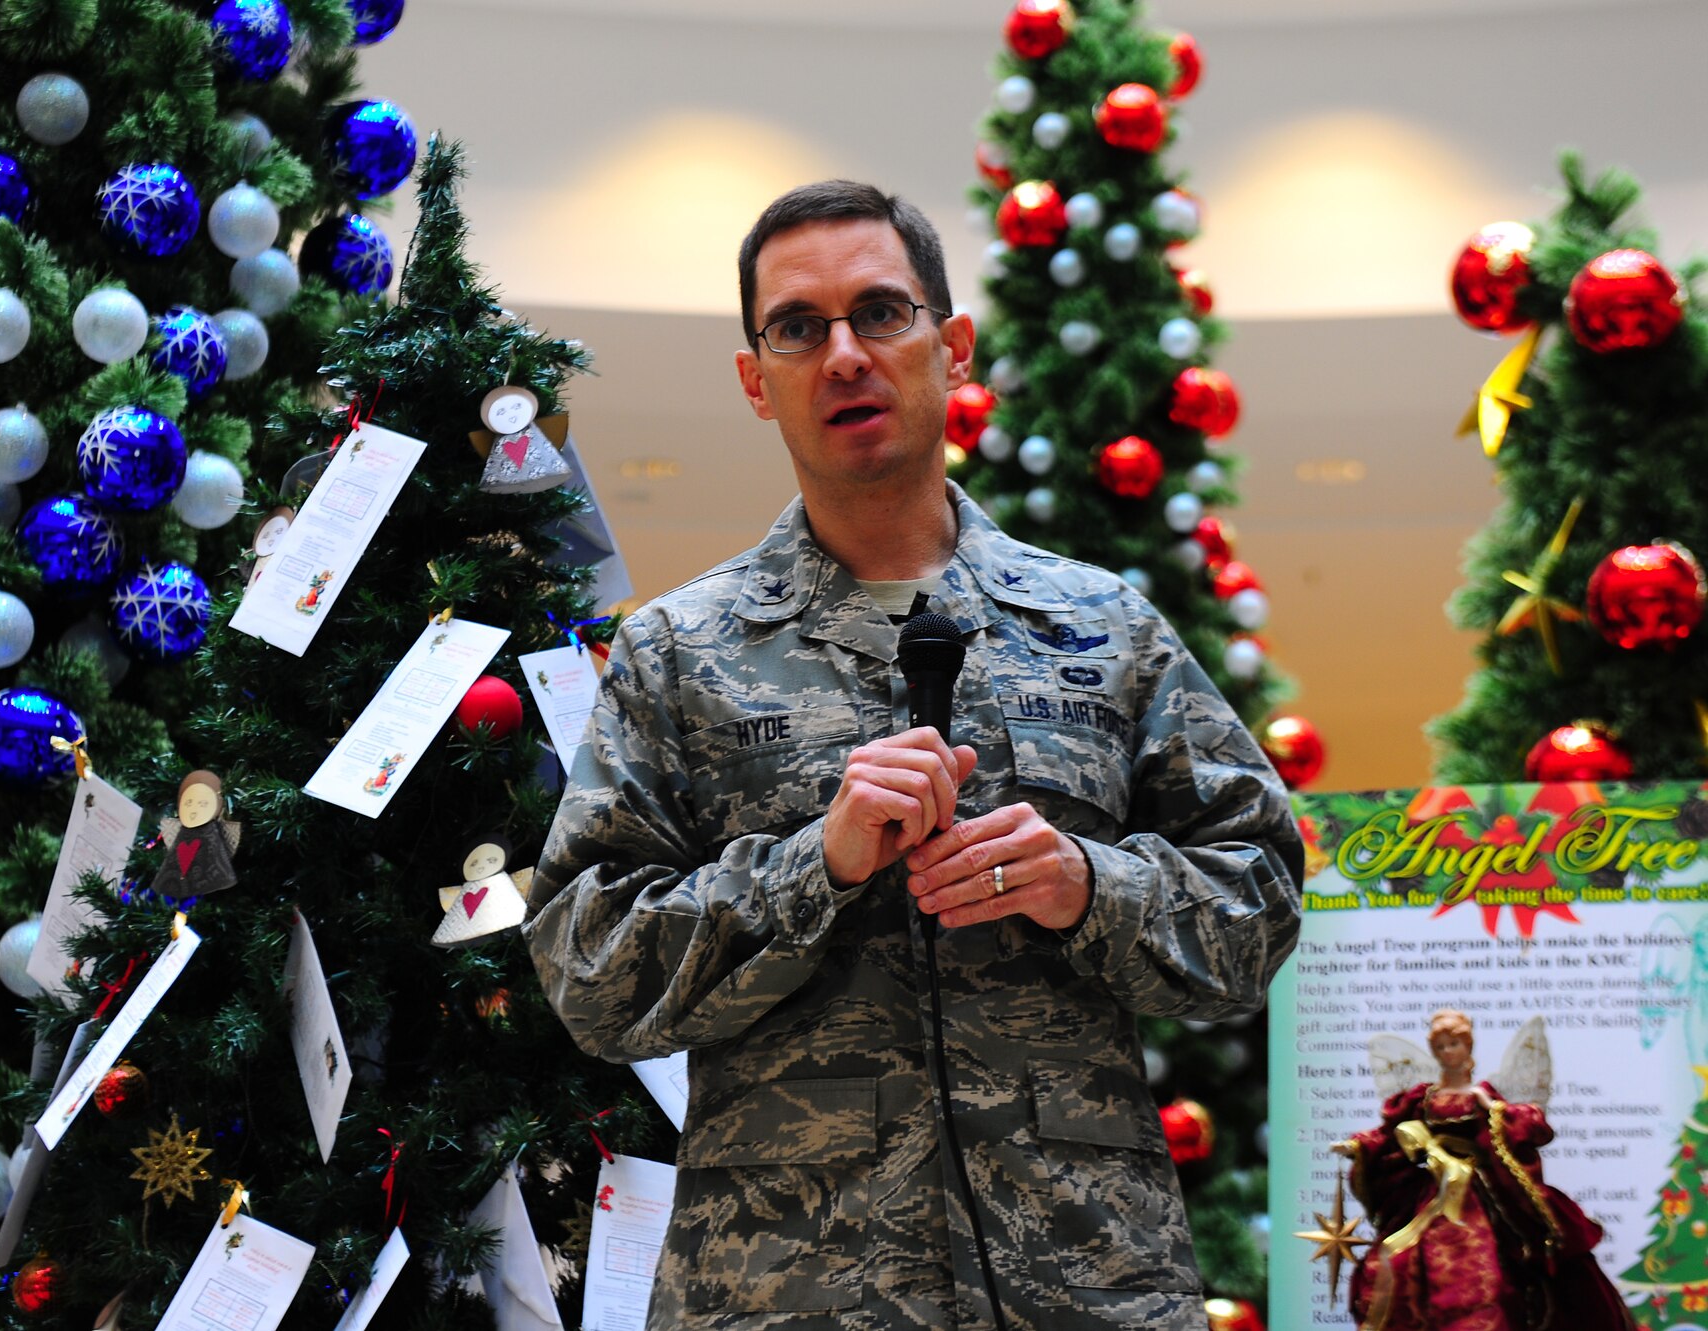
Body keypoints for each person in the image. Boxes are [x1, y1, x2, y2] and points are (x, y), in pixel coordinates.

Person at [524, 181, 1302, 1330]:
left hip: (1084, 1282)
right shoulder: (677, 654)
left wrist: (1089, 882)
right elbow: (587, 969)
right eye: (797, 327)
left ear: (949, 346)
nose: (842, 354)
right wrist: (814, 866)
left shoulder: (1102, 626)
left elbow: (1261, 901)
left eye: (879, 313)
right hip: (788, 1292)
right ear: (755, 380)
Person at [1338, 1010, 1631, 1331]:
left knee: (1496, 1266)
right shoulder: (1424, 1098)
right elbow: (1389, 1133)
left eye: (1454, 1044)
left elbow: (1527, 1125)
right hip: (1434, 1192)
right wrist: (1359, 1146)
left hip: (1481, 1192)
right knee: (1403, 1258)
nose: (1448, 1052)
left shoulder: (1481, 1095)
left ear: (1468, 1047)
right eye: (1441, 1046)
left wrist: (1496, 1112)